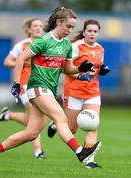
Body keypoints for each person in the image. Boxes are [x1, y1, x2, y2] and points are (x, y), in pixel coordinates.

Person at [0, 7, 101, 172]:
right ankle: (81, 153)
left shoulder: (66, 45)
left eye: (72, 28)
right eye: (68, 26)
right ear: (59, 22)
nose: (70, 30)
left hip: (48, 91)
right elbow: (20, 60)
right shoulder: (43, 41)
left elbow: (67, 69)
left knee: (31, 133)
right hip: (37, 88)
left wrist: (81, 68)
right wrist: (16, 84)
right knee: (60, 117)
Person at [47, 19, 110, 168]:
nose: (92, 34)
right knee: (72, 128)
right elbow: (65, 69)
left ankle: (90, 160)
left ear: (98, 33)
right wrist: (80, 75)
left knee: (92, 125)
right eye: (89, 31)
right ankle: (56, 125)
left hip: (92, 92)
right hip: (74, 92)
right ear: (84, 32)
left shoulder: (100, 49)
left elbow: (97, 68)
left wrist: (102, 70)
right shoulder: (75, 47)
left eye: (95, 31)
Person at [0, 18, 46, 159]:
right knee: (35, 119)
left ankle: (7, 115)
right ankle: (38, 150)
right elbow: (7, 61)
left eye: (40, 26)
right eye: (35, 26)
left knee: (35, 119)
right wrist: (22, 62)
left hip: (41, 86)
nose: (38, 28)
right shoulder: (21, 45)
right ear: (28, 29)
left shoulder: (45, 44)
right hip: (25, 85)